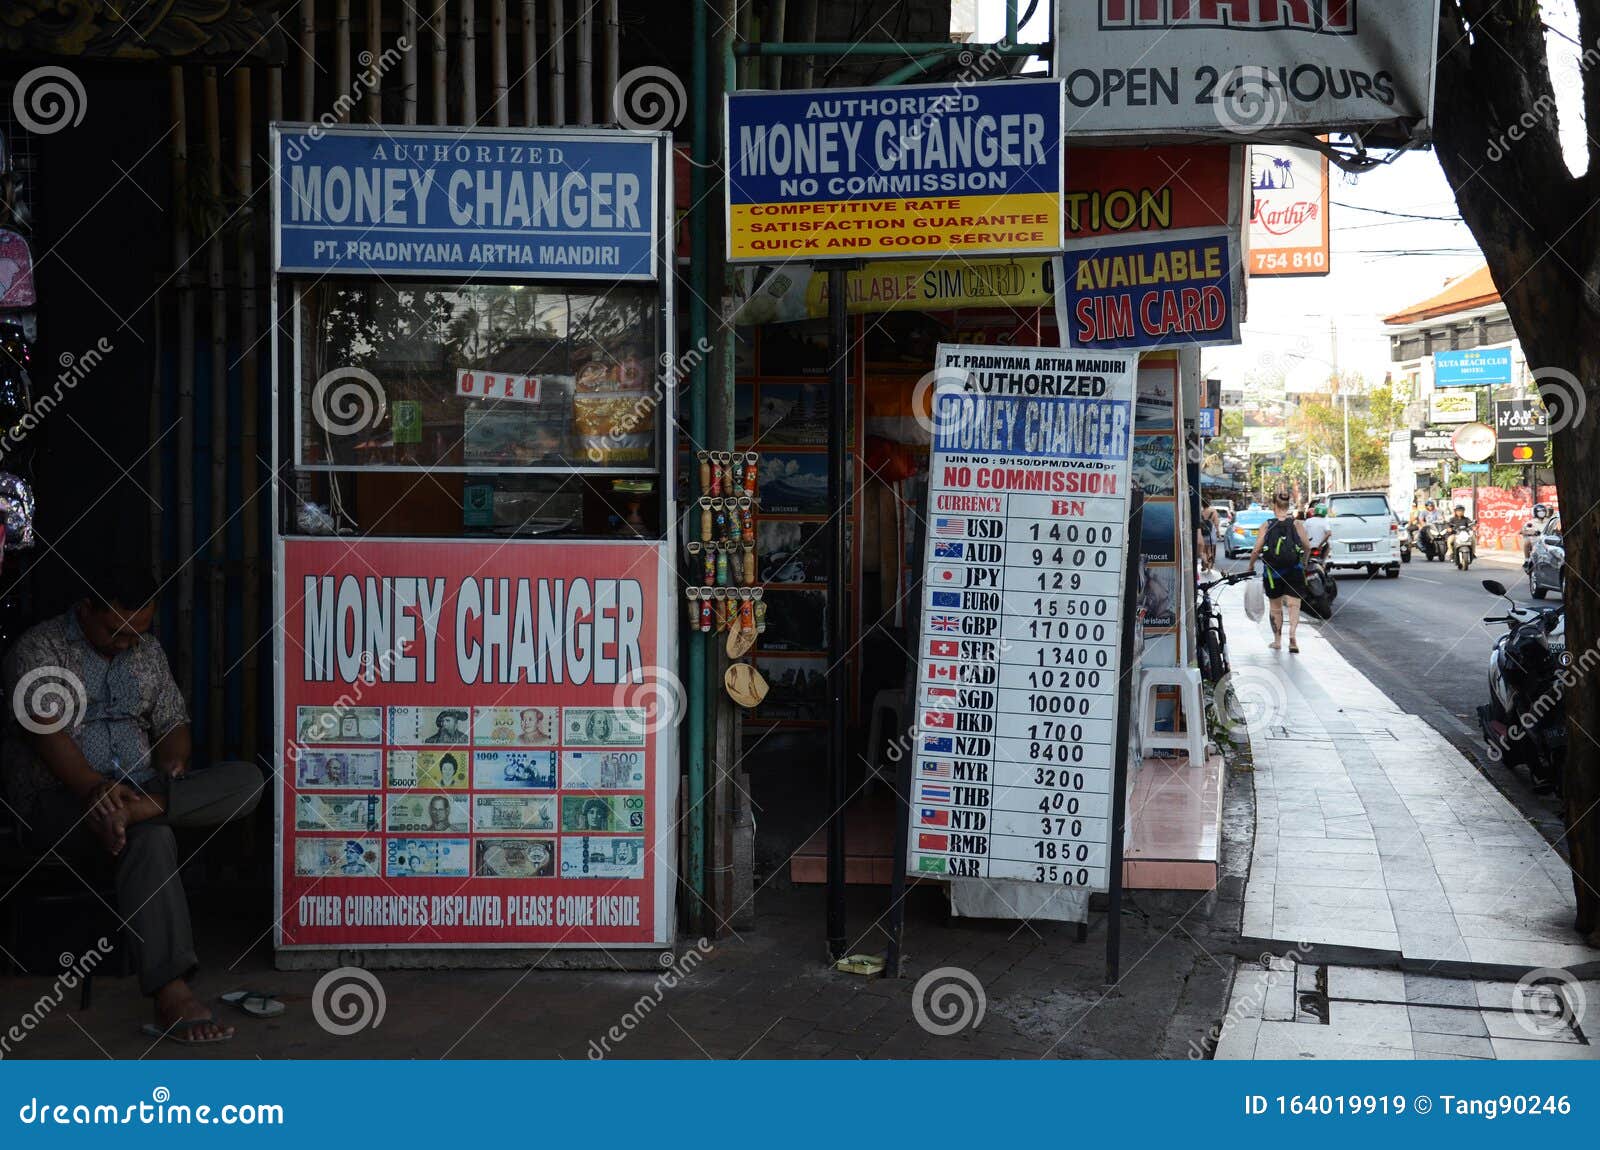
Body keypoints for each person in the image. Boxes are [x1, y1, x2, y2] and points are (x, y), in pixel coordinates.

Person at [0, 567, 263, 1046]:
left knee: (248, 781)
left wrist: (171, 766)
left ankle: (143, 809)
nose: (127, 642)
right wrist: (97, 791)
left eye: (138, 631)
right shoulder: (38, 651)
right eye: (116, 631)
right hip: (61, 802)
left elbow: (173, 723)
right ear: (86, 610)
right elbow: (46, 737)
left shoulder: (147, 651)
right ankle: (171, 992)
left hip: (142, 790)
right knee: (153, 835)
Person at [1248, 492, 1313, 653]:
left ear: (1274, 506)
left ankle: (1277, 641)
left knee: (1275, 607)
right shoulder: (1296, 524)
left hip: (1272, 573)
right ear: (1288, 505)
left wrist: (1250, 567)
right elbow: (1307, 547)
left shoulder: (1267, 524)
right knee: (1293, 604)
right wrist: (1304, 562)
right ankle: (1292, 637)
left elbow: (1256, 550)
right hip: (1295, 569)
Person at [1197, 497, 1221, 572]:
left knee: (1203, 551)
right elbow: (1216, 523)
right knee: (1210, 551)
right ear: (1209, 503)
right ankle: (1209, 568)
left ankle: (1205, 563)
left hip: (1203, 534)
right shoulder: (1213, 511)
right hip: (1211, 534)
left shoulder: (1200, 512)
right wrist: (1218, 532)